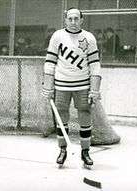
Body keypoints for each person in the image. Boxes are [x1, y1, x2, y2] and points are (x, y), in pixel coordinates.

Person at [42, 8, 102, 167]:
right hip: (61, 85)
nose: (73, 22)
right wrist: (48, 86)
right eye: (70, 18)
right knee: (61, 117)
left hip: (83, 85)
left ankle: (85, 152)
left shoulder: (89, 38)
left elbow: (95, 65)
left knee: (85, 115)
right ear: (65, 20)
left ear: (82, 20)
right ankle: (62, 150)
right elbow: (50, 62)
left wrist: (95, 89)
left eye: (76, 18)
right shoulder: (57, 36)